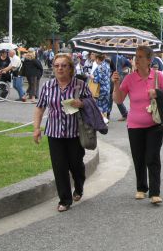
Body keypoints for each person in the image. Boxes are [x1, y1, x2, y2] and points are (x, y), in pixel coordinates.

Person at [112, 45, 163, 205]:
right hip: (135, 125)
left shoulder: (159, 76)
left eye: (140, 57)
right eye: (135, 57)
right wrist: (116, 84)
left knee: (152, 156)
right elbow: (118, 100)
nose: (136, 60)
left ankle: (155, 192)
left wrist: (157, 93)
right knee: (138, 158)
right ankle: (141, 188)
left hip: (155, 124)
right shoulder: (129, 78)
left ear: (149, 60)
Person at [32, 53, 91, 212]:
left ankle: (79, 186)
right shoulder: (48, 86)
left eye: (63, 65)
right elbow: (40, 107)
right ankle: (65, 199)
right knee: (59, 167)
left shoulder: (80, 85)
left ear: (70, 68)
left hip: (75, 133)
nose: (60, 68)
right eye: (57, 65)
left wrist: (82, 103)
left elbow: (92, 103)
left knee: (76, 165)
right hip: (54, 133)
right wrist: (36, 128)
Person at [92, 54, 112, 124]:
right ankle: (105, 120)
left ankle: (102, 120)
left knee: (98, 105)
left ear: (97, 59)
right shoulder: (107, 65)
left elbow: (98, 79)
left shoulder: (100, 67)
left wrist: (92, 77)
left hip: (101, 89)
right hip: (107, 88)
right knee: (105, 106)